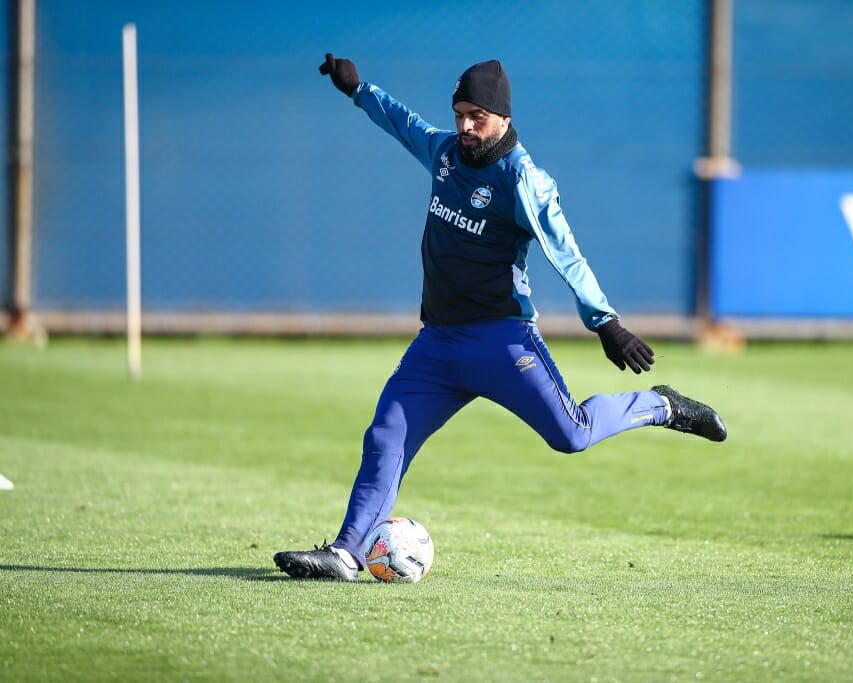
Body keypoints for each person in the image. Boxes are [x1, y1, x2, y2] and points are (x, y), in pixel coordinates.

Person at [273, 55, 727, 581]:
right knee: (385, 436)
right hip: (438, 343)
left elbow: (566, 251)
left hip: (500, 341)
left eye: (478, 117)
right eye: (461, 113)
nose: (466, 126)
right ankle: (348, 553)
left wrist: (605, 321)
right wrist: (358, 90)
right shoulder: (446, 151)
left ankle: (662, 406)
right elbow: (403, 123)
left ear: (503, 118)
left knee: (571, 435)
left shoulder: (523, 179)